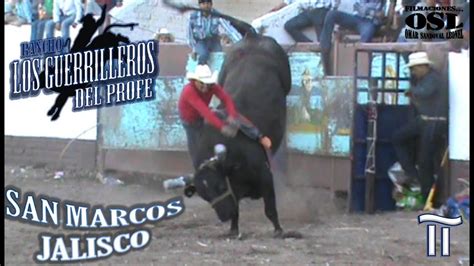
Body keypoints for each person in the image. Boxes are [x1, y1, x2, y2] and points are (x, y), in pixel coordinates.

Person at [178, 64, 272, 168]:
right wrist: (222, 127)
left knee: (232, 114)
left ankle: (259, 136)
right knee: (196, 153)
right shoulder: (189, 91)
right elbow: (205, 112)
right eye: (202, 83)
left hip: (204, 114)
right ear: (195, 81)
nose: (205, 87)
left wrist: (231, 115)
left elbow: (226, 99)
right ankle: (200, 172)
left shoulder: (212, 87)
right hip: (191, 122)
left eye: (207, 84)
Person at [392, 52, 448, 203]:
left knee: (425, 162)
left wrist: (412, 91)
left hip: (433, 123)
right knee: (400, 139)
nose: (413, 72)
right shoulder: (428, 78)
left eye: (415, 69)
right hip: (427, 121)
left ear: (424, 67)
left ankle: (427, 197)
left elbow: (424, 93)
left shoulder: (433, 79)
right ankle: (414, 177)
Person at [319, 0, 395, 75]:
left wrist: (368, 12)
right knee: (331, 15)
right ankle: (324, 53)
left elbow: (382, 15)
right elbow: (354, 6)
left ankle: (360, 74)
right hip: (355, 18)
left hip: (370, 22)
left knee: (366, 36)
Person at [187, 0, 241, 65]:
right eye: (203, 3)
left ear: (211, 5)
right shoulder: (193, 17)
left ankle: (217, 73)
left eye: (208, 3)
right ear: (199, 5)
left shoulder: (217, 15)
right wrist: (194, 49)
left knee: (219, 56)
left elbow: (229, 29)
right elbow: (189, 34)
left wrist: (240, 41)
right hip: (200, 40)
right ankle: (200, 69)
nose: (206, 6)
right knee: (203, 54)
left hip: (213, 40)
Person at [272, 0, 340, 43]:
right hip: (308, 11)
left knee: (322, 41)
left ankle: (326, 60)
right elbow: (288, 1)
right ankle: (309, 45)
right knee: (289, 26)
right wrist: (277, 8)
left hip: (321, 10)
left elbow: (335, 2)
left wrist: (331, 13)